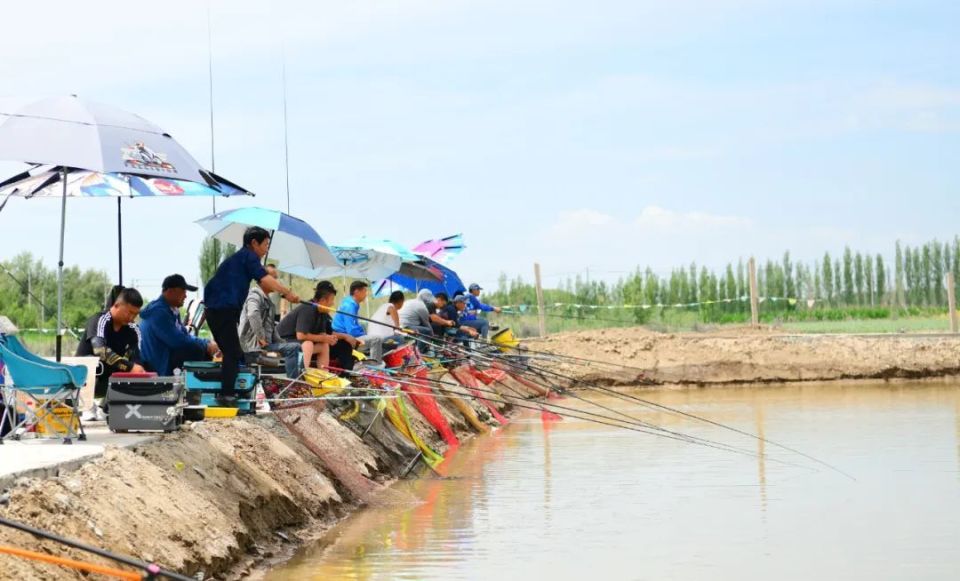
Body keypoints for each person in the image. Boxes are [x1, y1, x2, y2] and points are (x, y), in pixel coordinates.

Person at [204, 227, 301, 405]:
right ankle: (226, 395)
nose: (266, 249)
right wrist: (288, 293)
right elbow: (265, 279)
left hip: (219, 310)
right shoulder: (249, 256)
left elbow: (262, 278)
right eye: (265, 244)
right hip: (221, 310)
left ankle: (237, 391)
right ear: (254, 243)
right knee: (233, 353)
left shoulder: (243, 259)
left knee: (235, 353)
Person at [76, 287, 145, 418]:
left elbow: (136, 356)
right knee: (95, 363)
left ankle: (107, 407)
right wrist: (130, 367)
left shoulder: (133, 329)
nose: (131, 318)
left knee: (140, 368)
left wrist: (137, 368)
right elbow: (100, 351)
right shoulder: (99, 320)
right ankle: (86, 405)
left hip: (109, 373)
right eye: (129, 312)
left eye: (135, 315)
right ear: (117, 305)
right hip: (84, 375)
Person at [140, 274, 219, 376]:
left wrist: (207, 342)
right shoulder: (158, 312)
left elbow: (184, 334)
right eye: (183, 291)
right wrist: (205, 345)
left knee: (199, 348)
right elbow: (178, 341)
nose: (186, 296)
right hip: (158, 366)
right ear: (170, 291)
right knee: (196, 350)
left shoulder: (171, 310)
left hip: (166, 360)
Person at [239, 264, 302, 378]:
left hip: (265, 345)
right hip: (252, 347)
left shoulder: (268, 301)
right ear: (263, 280)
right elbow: (253, 314)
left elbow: (271, 328)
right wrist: (261, 337)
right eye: (273, 278)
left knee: (295, 346)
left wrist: (282, 343)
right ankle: (293, 383)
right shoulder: (255, 295)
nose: (276, 282)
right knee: (293, 348)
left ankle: (297, 378)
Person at [278, 281, 353, 372]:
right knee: (308, 344)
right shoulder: (308, 308)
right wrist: (324, 338)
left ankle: (324, 376)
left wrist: (329, 338)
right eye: (332, 300)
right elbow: (301, 335)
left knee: (324, 345)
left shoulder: (322, 312)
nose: (332, 303)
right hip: (282, 342)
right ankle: (300, 377)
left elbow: (322, 335)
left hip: (298, 344)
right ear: (322, 300)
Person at [332, 281, 385, 362]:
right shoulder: (349, 306)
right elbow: (351, 331)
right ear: (356, 292)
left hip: (345, 335)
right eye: (364, 291)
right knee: (377, 339)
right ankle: (375, 365)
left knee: (365, 329)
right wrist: (364, 335)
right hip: (344, 339)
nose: (366, 294)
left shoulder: (349, 302)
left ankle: (369, 360)